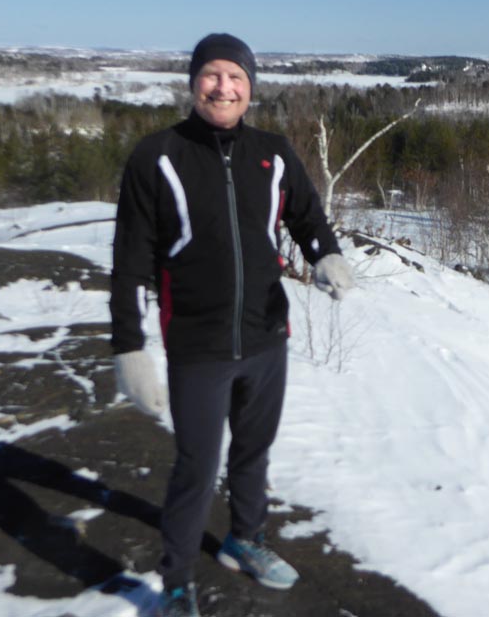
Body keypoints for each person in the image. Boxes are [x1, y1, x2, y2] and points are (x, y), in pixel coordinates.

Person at [109, 32, 355, 617]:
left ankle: (246, 540)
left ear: (250, 89)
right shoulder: (157, 155)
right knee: (197, 466)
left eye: (236, 78)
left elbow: (304, 213)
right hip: (198, 344)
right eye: (213, 75)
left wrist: (327, 254)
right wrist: (129, 347)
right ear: (194, 83)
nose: (224, 87)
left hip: (268, 335)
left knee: (254, 452)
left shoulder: (272, 151)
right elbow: (129, 262)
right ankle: (174, 581)